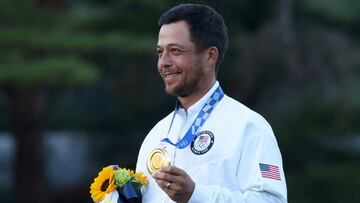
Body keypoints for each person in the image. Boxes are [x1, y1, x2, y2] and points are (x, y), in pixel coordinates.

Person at [136, 4, 287, 203]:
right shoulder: (156, 136)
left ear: (210, 56)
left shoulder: (249, 127)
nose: (163, 63)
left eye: (175, 51)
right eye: (160, 52)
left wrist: (196, 195)